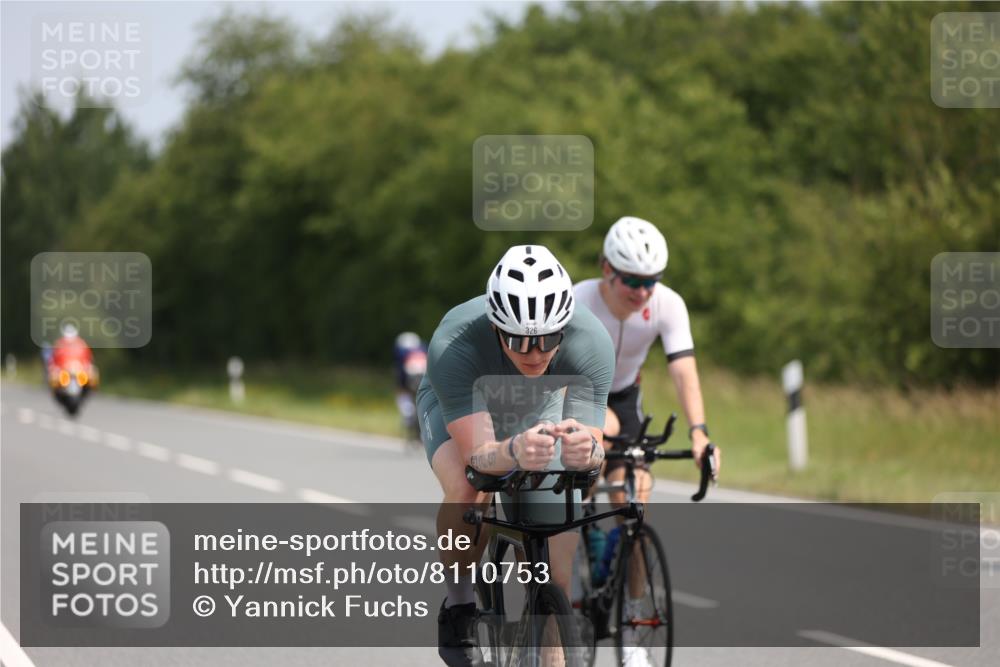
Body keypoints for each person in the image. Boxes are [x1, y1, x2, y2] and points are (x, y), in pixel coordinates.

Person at [418, 245, 614, 667]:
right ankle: (459, 606)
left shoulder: (591, 341)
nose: (535, 353)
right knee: (470, 490)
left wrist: (588, 451)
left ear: (564, 327)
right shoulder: (453, 344)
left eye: (547, 340)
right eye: (519, 342)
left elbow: (592, 452)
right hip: (463, 403)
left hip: (534, 405)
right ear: (494, 327)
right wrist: (514, 449)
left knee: (554, 551)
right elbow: (479, 459)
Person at [574, 216, 721, 667]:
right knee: (590, 465)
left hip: (625, 396)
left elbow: (682, 368)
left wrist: (700, 433)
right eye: (632, 281)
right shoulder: (577, 301)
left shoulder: (667, 305)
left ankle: (635, 626)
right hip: (578, 394)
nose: (642, 292)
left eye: (650, 282)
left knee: (637, 498)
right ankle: (577, 546)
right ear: (606, 269)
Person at [393, 331, 428, 436]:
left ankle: (408, 414)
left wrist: (400, 386)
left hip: (410, 378)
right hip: (425, 377)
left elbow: (400, 373)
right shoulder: (423, 348)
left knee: (402, 393)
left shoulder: (402, 352)